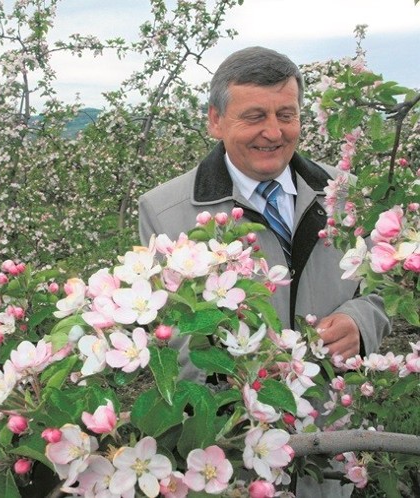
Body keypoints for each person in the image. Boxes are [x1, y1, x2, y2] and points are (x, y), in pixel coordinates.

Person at [138, 46, 391, 496]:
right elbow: (170, 333)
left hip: (332, 437)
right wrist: (246, 375)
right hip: (234, 444)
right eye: (254, 116)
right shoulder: (167, 211)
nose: (273, 132)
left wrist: (360, 321)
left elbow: (383, 288)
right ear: (216, 120)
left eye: (286, 115)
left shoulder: (345, 194)